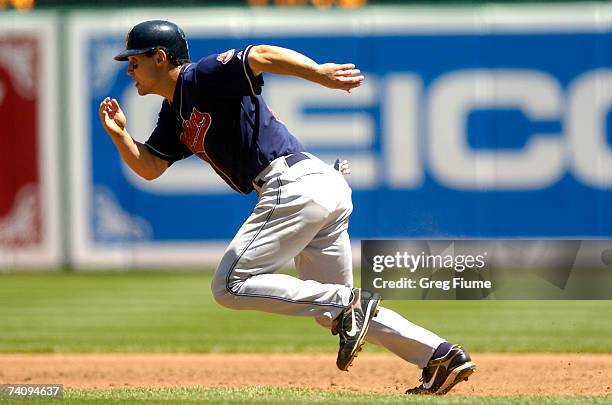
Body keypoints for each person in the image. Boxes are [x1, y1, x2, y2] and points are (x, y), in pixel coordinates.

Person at [99, 20, 476, 395]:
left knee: (229, 285)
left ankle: (347, 302)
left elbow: (261, 55)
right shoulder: (173, 114)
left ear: (161, 57)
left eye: (134, 61)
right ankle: (440, 356)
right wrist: (120, 136)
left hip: (291, 184)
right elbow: (150, 167)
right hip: (317, 187)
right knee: (336, 312)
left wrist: (317, 73)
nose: (130, 69)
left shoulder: (202, 76)